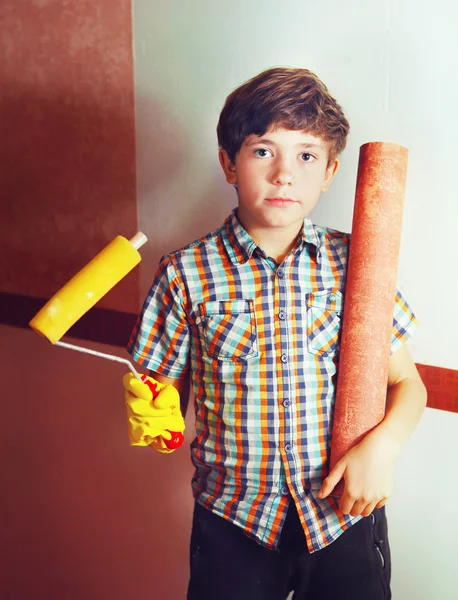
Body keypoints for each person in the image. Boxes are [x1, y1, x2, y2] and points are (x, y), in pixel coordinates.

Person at [124, 67, 427, 600]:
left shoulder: (356, 262)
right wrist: (153, 414)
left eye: (306, 155)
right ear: (229, 164)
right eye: (264, 151)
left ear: (330, 171)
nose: (285, 174)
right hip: (233, 525)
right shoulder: (183, 273)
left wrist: (382, 449)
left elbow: (408, 386)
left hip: (343, 519)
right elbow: (163, 398)